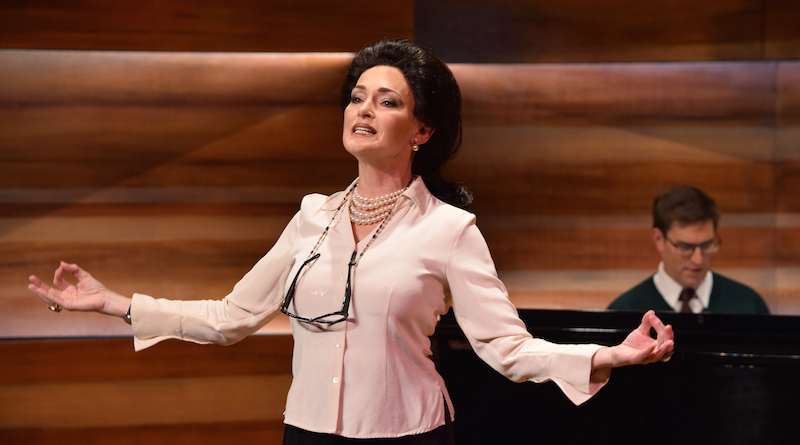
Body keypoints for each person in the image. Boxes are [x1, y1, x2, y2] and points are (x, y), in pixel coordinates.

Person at [28, 39, 674, 445]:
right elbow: (232, 317)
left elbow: (503, 345)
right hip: (307, 431)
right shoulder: (311, 216)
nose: (363, 109)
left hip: (408, 433)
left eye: (387, 101)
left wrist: (607, 356)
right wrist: (116, 303)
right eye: (357, 96)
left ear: (421, 129)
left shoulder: (449, 229)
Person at [608, 185, 769, 314]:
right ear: (658, 239)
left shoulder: (749, 305)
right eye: (685, 247)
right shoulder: (623, 311)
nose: (698, 259)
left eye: (706, 245)